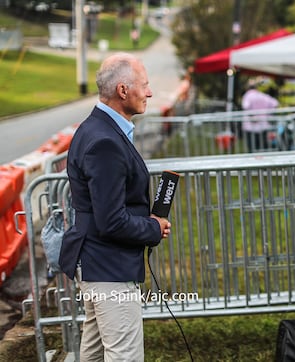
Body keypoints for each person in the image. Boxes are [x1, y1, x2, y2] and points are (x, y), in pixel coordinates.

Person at [59, 52, 171, 361]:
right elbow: (111, 221)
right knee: (124, 356)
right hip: (107, 265)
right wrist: (153, 227)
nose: (149, 93)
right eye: (144, 85)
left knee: (93, 354)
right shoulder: (104, 140)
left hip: (98, 262)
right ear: (123, 91)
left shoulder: (97, 128)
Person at [241, 79, 279, 152]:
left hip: (251, 127)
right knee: (263, 147)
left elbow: (245, 106)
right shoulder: (263, 95)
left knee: (252, 149)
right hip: (264, 126)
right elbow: (275, 103)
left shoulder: (247, 96)